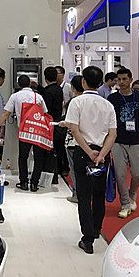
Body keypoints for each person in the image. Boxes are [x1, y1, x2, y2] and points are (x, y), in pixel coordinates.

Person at [63, 66, 117, 254]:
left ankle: (87, 239)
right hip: (102, 154)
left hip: (82, 153)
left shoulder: (77, 102)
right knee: (99, 194)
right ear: (100, 82)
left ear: (84, 82)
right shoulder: (107, 105)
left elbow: (74, 130)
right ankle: (96, 229)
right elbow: (112, 134)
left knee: (84, 196)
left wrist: (88, 151)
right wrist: (101, 155)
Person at [107, 67, 139, 219]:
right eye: (119, 80)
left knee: (137, 174)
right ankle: (125, 204)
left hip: (135, 140)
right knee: (120, 175)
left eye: (124, 79)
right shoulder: (112, 98)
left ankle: (132, 195)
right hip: (117, 140)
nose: (121, 82)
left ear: (130, 79)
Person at [0, 74, 48, 192]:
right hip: (38, 131)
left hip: (24, 131)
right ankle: (34, 183)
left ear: (19, 85)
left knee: (23, 157)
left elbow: (6, 113)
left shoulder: (15, 96)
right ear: (29, 83)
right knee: (38, 158)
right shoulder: (38, 96)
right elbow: (44, 113)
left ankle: (23, 182)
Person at [39, 66, 65, 184]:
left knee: (49, 151)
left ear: (45, 78)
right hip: (58, 123)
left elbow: (46, 111)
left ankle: (51, 176)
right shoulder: (59, 89)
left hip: (50, 125)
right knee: (57, 151)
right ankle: (57, 173)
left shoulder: (47, 92)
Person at [64, 75, 85, 204]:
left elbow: (71, 123)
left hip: (73, 140)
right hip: (87, 140)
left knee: (75, 169)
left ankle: (77, 194)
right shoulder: (91, 101)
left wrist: (63, 123)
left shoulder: (74, 102)